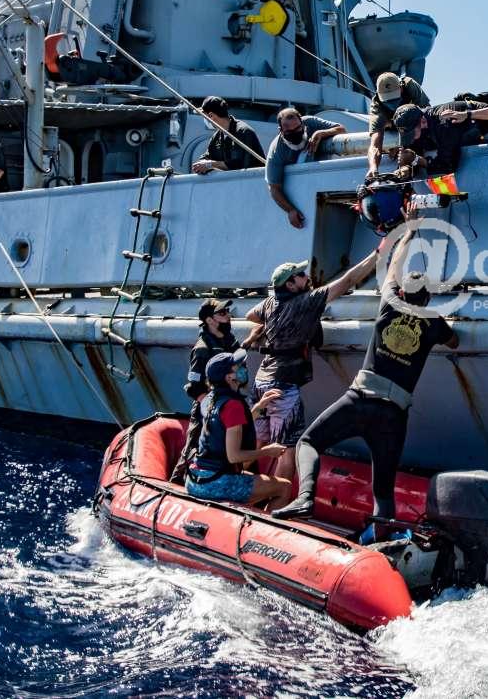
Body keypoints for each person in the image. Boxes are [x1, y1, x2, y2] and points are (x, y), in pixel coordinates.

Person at [272, 204, 459, 532]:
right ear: (428, 299)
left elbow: (393, 266)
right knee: (383, 491)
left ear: (402, 292)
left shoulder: (389, 303)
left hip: (360, 400)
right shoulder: (433, 322)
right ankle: (384, 541)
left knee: (309, 443)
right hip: (394, 415)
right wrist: (443, 323)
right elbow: (454, 341)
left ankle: (305, 498)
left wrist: (410, 230)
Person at [244, 248, 380, 482]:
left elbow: (250, 315)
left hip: (262, 381)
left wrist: (272, 324)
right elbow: (348, 280)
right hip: (283, 387)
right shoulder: (305, 302)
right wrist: (378, 253)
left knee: (259, 440)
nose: (307, 276)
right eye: (300, 275)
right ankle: (277, 496)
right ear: (290, 285)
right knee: (286, 449)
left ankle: (238, 483)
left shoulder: (270, 303)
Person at [185, 349, 294, 510]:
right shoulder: (233, 405)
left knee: (255, 481)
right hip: (215, 482)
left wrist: (260, 406)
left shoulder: (211, 399)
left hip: (196, 478)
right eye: (238, 366)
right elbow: (234, 456)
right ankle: (262, 524)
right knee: (284, 487)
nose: (243, 368)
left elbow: (230, 423)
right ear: (229, 377)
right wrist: (267, 451)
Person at [169, 298, 241, 484]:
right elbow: (193, 386)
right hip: (208, 409)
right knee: (193, 447)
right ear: (209, 320)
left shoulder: (230, 341)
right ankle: (175, 484)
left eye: (228, 312)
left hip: (229, 404)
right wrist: (211, 408)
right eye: (222, 313)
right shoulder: (202, 349)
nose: (228, 316)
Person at [265, 107, 345, 228]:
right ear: (280, 130)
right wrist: (290, 210)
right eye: (289, 132)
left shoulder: (311, 122)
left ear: (302, 123)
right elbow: (274, 187)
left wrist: (321, 133)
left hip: (326, 181)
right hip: (302, 192)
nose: (295, 133)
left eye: (298, 128)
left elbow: (342, 129)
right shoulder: (277, 151)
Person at [389, 99, 485, 176]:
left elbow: (448, 166)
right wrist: (405, 167)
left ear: (423, 122)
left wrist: (418, 160)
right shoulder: (421, 123)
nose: (412, 138)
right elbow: (413, 148)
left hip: (485, 124)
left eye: (411, 134)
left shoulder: (445, 123)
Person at [367, 72, 430, 176]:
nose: (392, 102)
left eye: (394, 97)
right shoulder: (377, 106)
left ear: (401, 87)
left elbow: (426, 114)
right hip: (395, 127)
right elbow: (375, 144)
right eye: (387, 100)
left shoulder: (410, 85)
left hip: (414, 125)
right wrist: (373, 167)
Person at [192, 96, 263, 174]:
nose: (204, 120)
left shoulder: (244, 132)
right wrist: (201, 164)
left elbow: (239, 166)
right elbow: (207, 156)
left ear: (211, 116)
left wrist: (210, 164)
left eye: (204, 116)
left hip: (252, 179)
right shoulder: (217, 137)